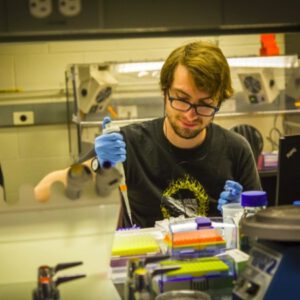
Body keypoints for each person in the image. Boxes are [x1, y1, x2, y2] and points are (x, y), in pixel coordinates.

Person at [35, 40, 261, 228]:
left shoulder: (236, 149)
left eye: (205, 104)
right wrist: (97, 166)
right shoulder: (128, 145)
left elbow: (259, 229)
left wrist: (240, 216)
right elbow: (43, 193)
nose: (191, 114)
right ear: (165, 92)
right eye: (181, 99)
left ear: (218, 102)